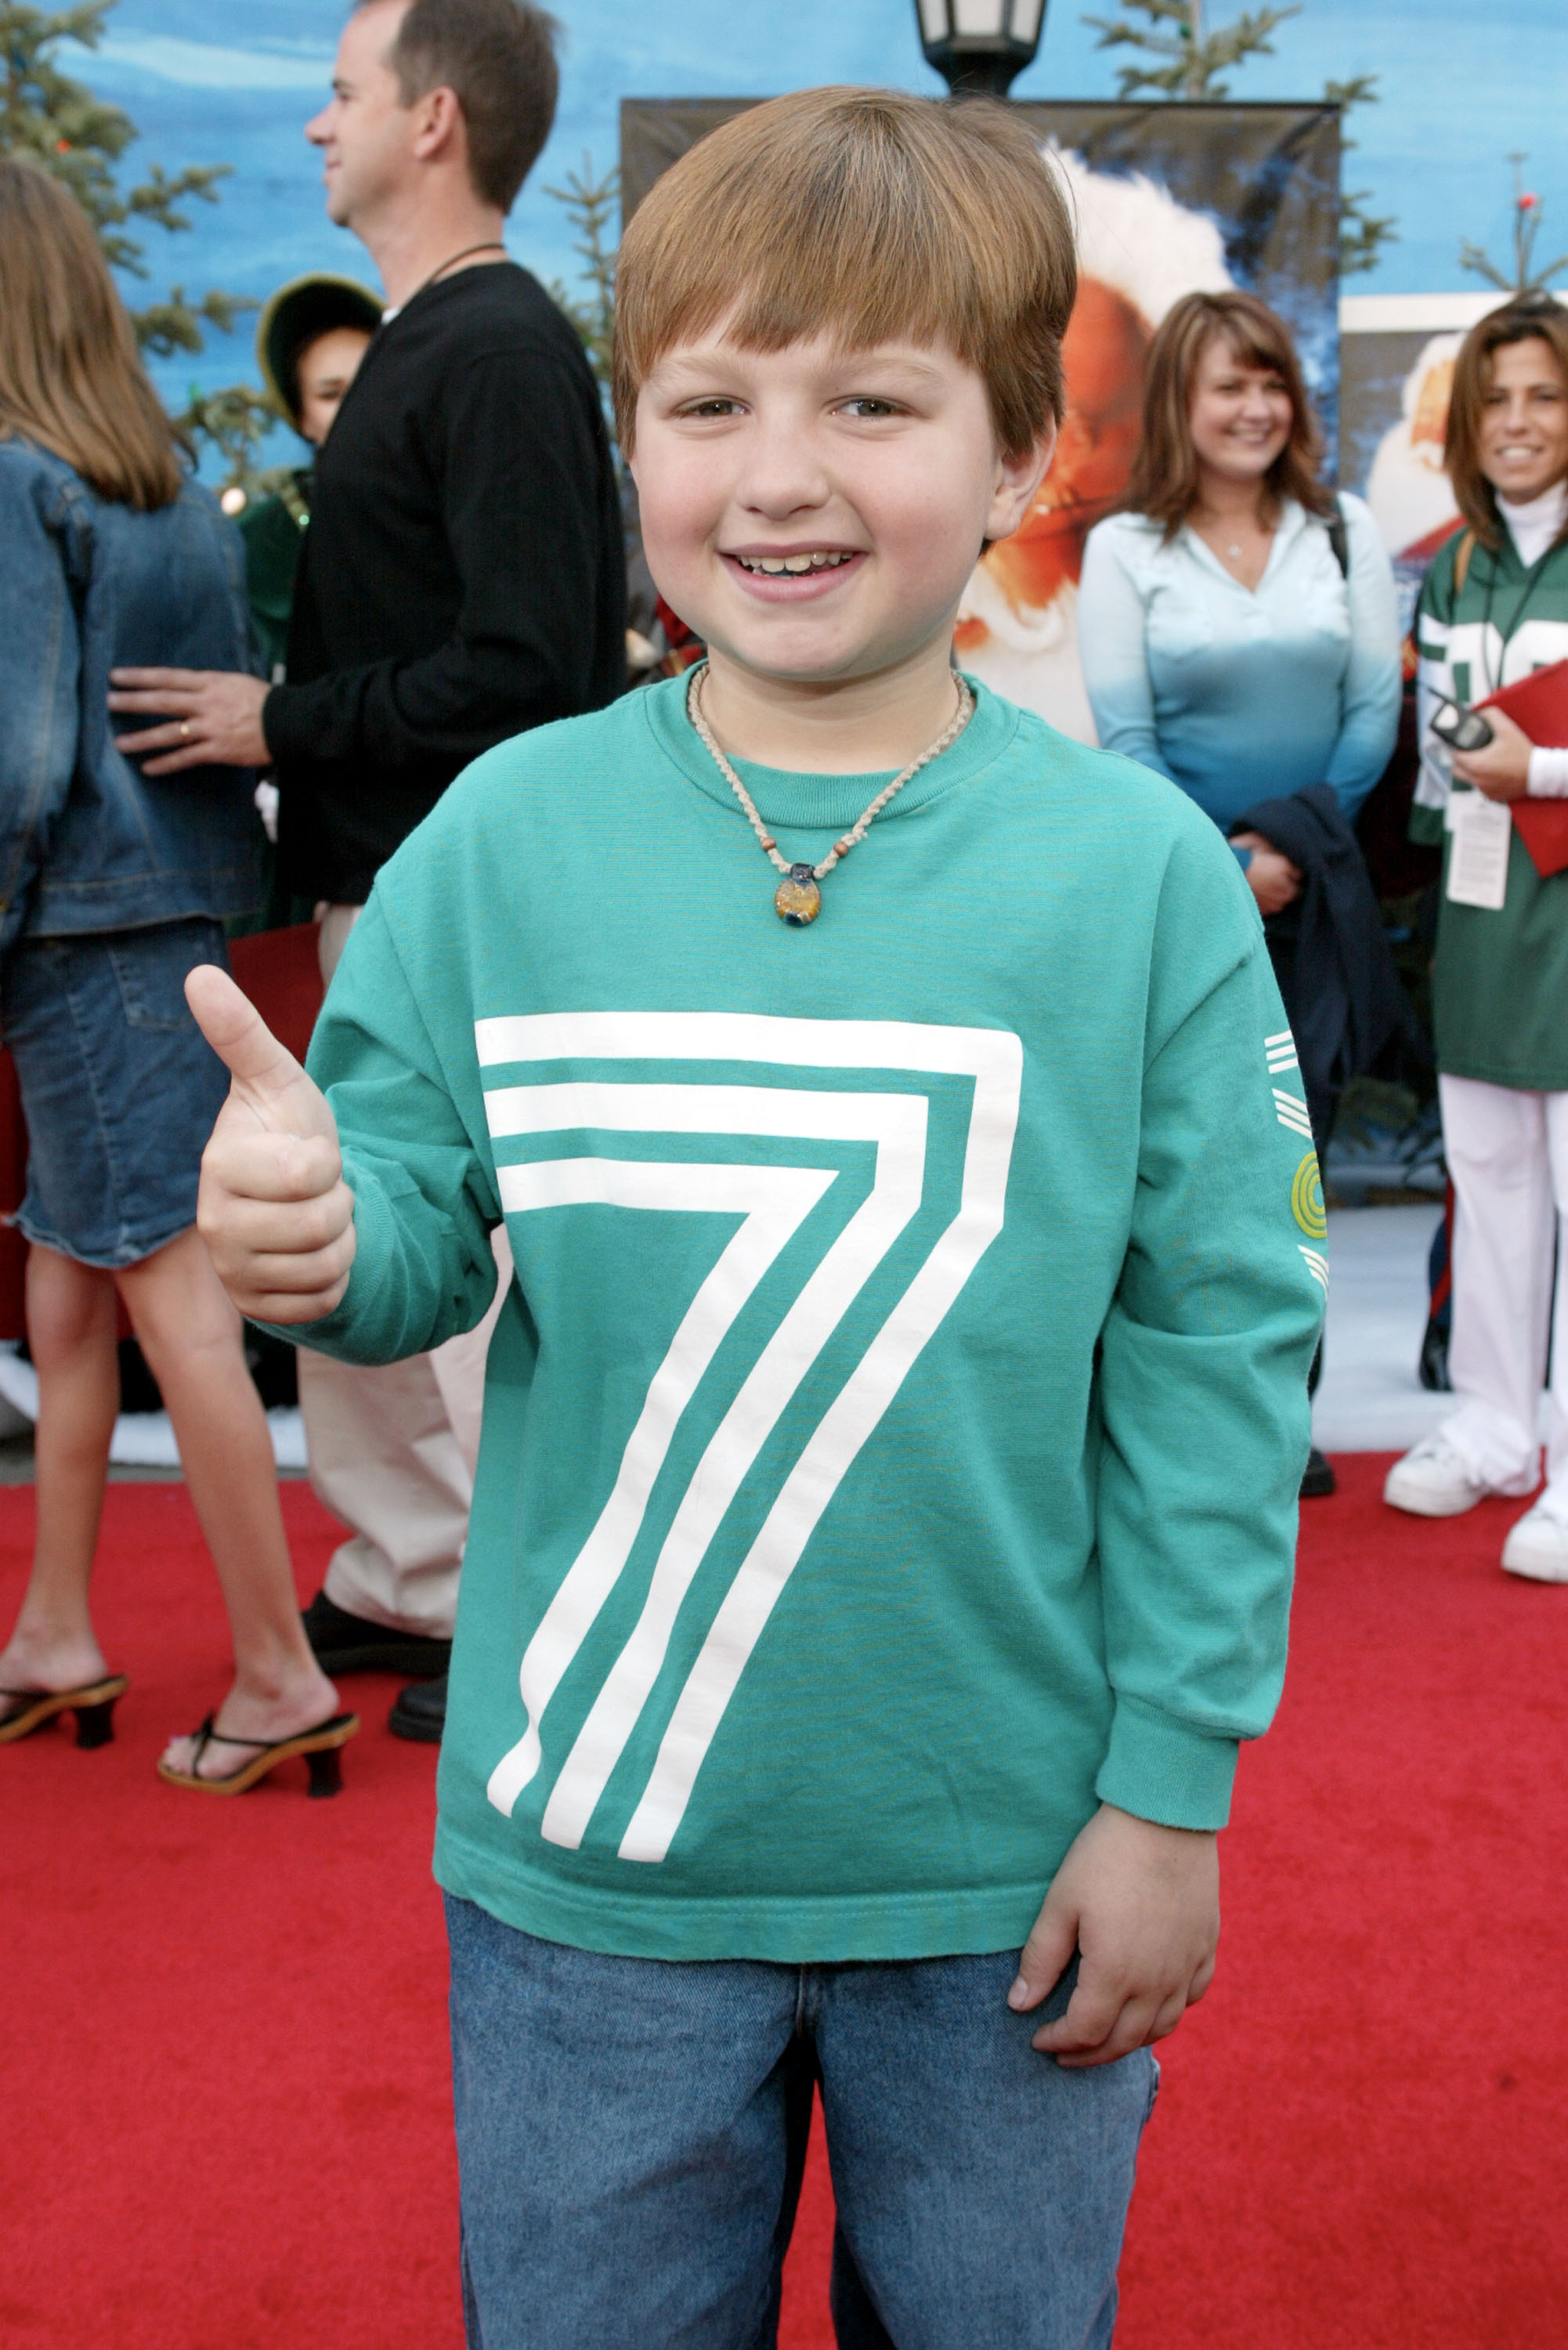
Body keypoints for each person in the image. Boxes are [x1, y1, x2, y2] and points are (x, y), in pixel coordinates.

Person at [188, 89, 1322, 2344]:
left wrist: (1171, 1792)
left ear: (1020, 464)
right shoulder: (504, 840)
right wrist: (314, 1233)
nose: (778, 475)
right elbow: (417, 1227)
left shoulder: (1141, 882)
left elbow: (1222, 1340)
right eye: (708, 402)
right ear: (633, 442)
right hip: (589, 1872)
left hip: (1006, 1868)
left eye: (871, 405)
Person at [108, 0, 627, 1741]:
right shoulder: (435, 340)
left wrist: (283, 722)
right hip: (386, 890)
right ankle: (412, 1584)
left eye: (341, 94)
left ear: (433, 121)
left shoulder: (492, 355)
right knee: (363, 1272)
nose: (315, 126)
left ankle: (529, 1619)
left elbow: (535, 666)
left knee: (461, 1269)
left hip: (455, 891)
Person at [0, 158, 351, 1792]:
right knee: (71, 1295)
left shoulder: (16, 479)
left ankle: (278, 1675)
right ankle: (54, 1636)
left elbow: (19, 761)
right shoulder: (159, 475)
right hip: (178, 916)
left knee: (165, 1301)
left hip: (76, 932)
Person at [1079, 288, 1404, 1502]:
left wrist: (1290, 853)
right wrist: (1226, 870)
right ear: (1182, 402)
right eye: (1229, 384)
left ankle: (1286, 1419)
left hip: (1318, 894)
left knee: (1297, 1154)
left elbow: (1372, 715)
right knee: (1186, 1157)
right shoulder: (1125, 548)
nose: (1255, 406)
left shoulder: (1341, 531)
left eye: (1271, 382)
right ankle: (1180, 1418)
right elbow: (1125, 738)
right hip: (1185, 899)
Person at [1383, 295, 1568, 1581]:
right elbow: (1447, 764)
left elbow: (1512, 762)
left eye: (1543, 397)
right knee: (1491, 1176)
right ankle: (1497, 1430)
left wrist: (1536, 770)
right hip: (1482, 908)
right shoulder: (1450, 565)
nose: (1515, 424)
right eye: (1494, 399)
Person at [240, 273, 383, 678]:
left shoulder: (455, 518)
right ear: (302, 416)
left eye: (372, 384)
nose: (356, 406)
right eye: (331, 394)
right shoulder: (256, 540)